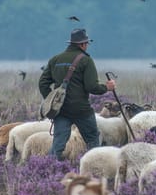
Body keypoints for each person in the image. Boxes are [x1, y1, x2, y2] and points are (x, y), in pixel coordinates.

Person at [38, 28, 115, 160]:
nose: (87, 46)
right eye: (87, 43)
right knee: (92, 140)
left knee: (58, 144)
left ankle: (46, 169)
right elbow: (92, 87)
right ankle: (94, 167)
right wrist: (107, 87)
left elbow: (43, 83)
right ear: (82, 44)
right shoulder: (86, 60)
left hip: (61, 110)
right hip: (81, 110)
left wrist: (52, 100)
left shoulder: (55, 59)